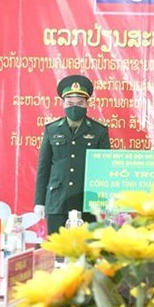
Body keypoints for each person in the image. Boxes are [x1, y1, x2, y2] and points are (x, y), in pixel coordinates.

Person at [34, 74, 110, 235]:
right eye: (70, 103)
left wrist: (105, 202)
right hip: (57, 201)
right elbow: (44, 168)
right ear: (63, 103)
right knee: (58, 252)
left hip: (87, 201)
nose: (74, 107)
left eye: (80, 103)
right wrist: (39, 202)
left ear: (87, 104)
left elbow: (104, 169)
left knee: (87, 251)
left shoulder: (99, 131)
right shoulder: (52, 129)